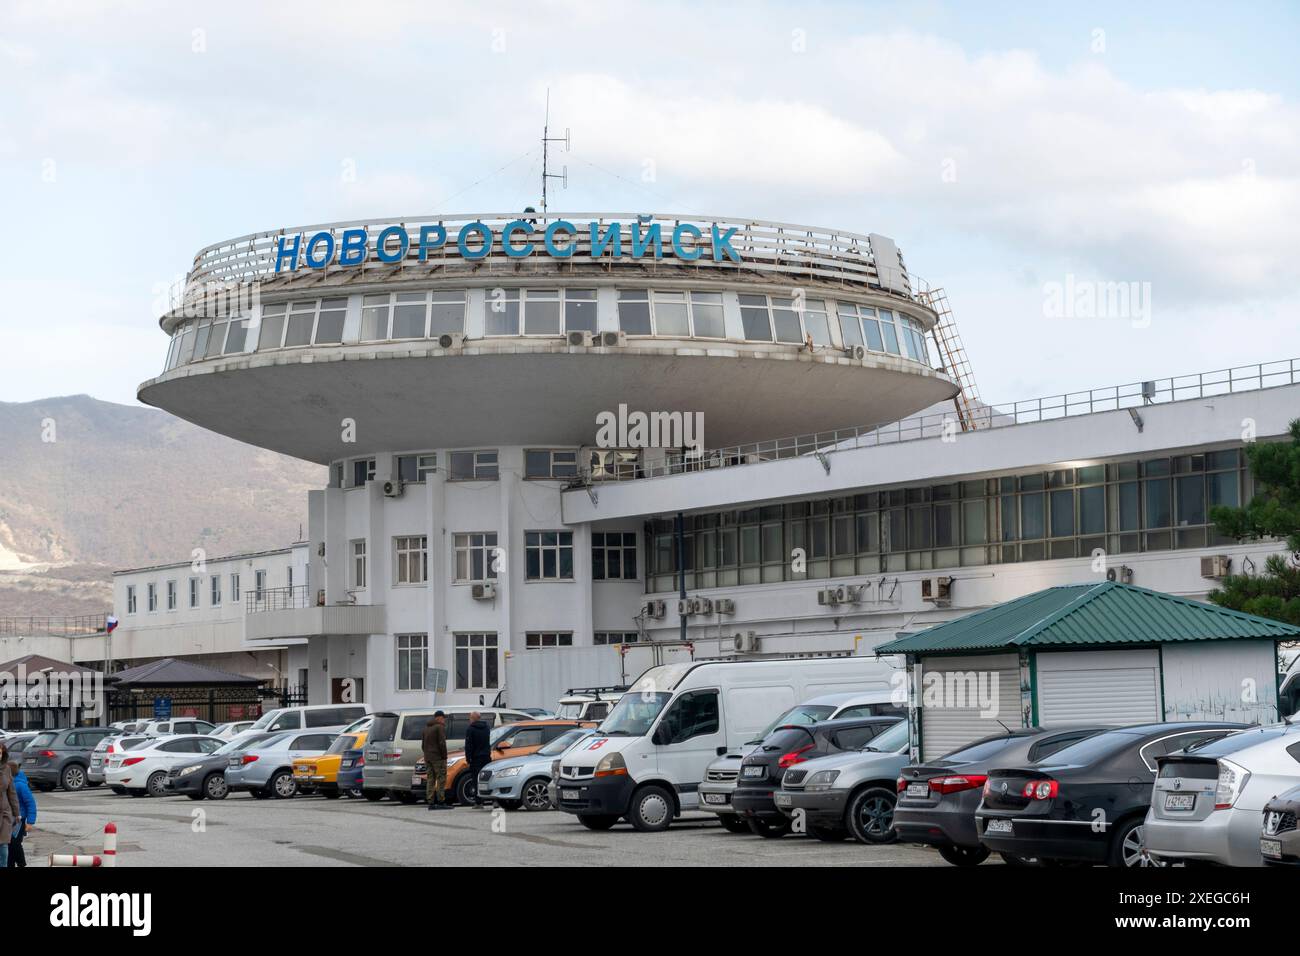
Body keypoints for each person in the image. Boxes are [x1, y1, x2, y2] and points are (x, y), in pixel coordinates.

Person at [8, 760, 35, 867]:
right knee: (8, 844)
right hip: (8, 819)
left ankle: (21, 864)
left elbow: (31, 804)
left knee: (15, 844)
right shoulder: (7, 783)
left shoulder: (20, 785)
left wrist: (30, 822)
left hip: (19, 820)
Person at [462, 711, 492, 807]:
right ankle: (493, 800)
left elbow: (468, 746)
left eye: (470, 718)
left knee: (476, 780)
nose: (469, 720)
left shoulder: (470, 729)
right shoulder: (487, 728)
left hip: (476, 759)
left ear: (473, 718)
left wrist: (468, 759)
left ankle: (479, 802)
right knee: (488, 779)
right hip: (487, 757)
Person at [421, 711, 450, 810]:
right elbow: (442, 743)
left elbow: (423, 745)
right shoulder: (439, 727)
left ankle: (431, 802)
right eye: (443, 718)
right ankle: (441, 801)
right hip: (438, 758)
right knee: (441, 779)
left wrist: (427, 755)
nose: (444, 720)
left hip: (428, 758)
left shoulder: (426, 728)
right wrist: (444, 756)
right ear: (438, 718)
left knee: (430, 779)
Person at [0, 743, 18, 868]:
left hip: (4, 813)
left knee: (3, 845)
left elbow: (12, 792)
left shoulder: (6, 769)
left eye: (0, 753)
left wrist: (17, 813)